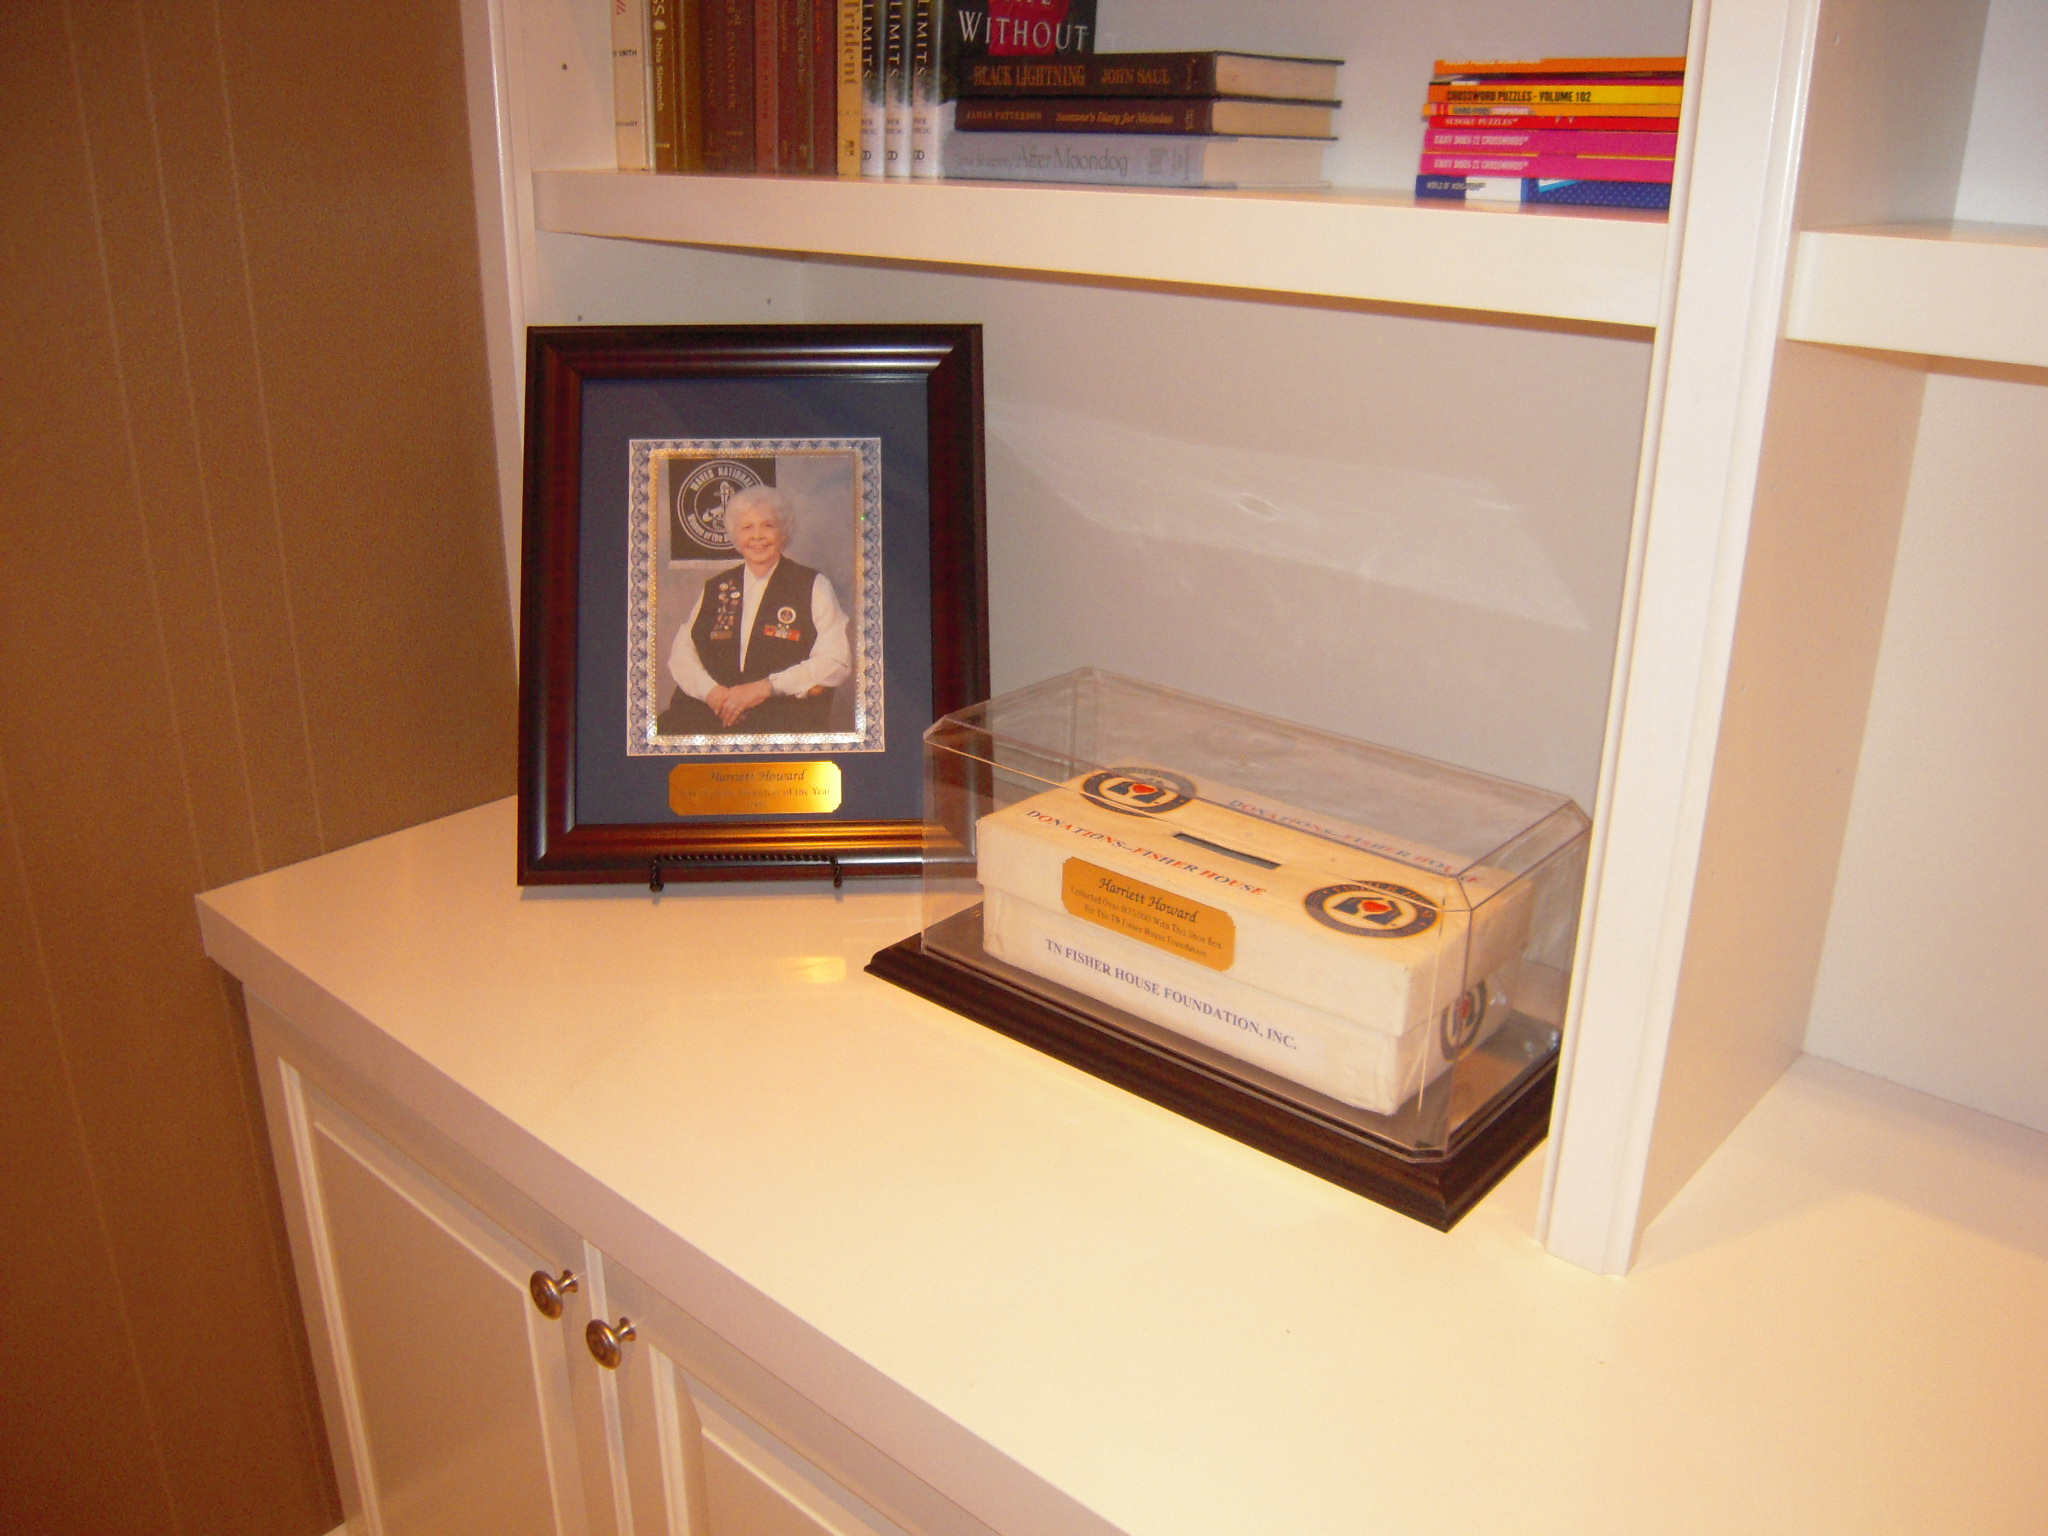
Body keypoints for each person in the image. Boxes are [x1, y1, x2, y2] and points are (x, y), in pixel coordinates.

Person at [658, 486, 852, 735]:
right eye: (747, 527)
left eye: (767, 526)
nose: (757, 536)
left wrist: (763, 689)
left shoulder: (813, 585)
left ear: (782, 531)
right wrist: (712, 693)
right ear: (735, 535)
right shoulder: (716, 587)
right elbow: (682, 653)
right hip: (714, 710)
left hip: (778, 714)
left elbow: (835, 660)